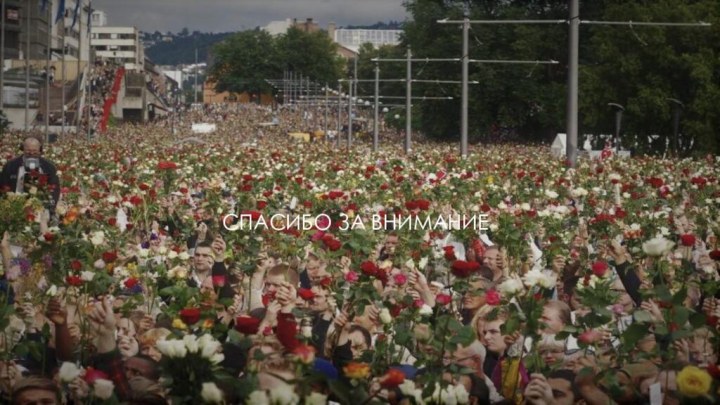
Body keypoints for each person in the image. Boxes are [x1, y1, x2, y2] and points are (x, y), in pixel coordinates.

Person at [0, 136, 60, 213]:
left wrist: (51, 207)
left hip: (40, 207)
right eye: (28, 150)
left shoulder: (48, 167)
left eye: (35, 151)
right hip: (15, 206)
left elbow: (54, 187)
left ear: (40, 150)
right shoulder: (11, 166)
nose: (31, 153)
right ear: (23, 149)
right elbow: (3, 186)